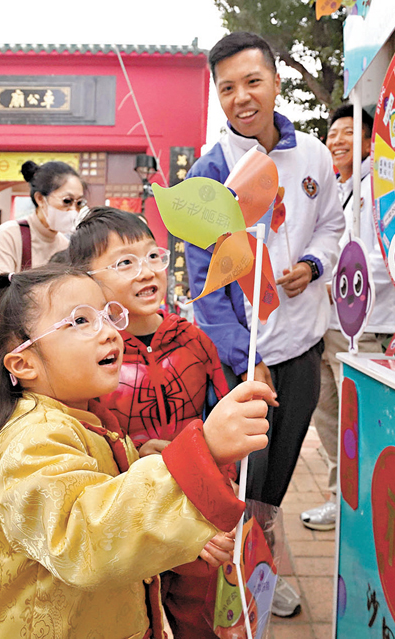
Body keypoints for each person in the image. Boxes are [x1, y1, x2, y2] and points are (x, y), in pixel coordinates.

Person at [0, 264, 275, 638]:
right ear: (23, 363)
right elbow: (85, 537)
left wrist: (142, 463)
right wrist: (200, 451)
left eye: (108, 314)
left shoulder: (85, 417)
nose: (108, 331)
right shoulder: (31, 439)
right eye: (79, 320)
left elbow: (107, 502)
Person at [185, 31, 345, 617]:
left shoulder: (315, 158)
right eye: (226, 88)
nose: (241, 97)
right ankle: (235, 576)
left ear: (276, 81)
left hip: (301, 346)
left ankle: (261, 566)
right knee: (241, 478)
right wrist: (241, 358)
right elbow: (205, 281)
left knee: (276, 477)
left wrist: (312, 263)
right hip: (243, 360)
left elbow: (332, 223)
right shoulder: (212, 171)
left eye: (252, 81)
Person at [69, 207, 234, 638]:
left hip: (195, 508)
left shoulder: (195, 341)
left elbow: (220, 423)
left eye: (152, 256)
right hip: (131, 518)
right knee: (135, 615)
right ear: (86, 281)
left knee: (197, 613)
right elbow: (87, 443)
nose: (146, 272)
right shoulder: (91, 353)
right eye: (125, 262)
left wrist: (219, 500)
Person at [300, 105, 395, 532]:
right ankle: (339, 497)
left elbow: (385, 257)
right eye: (333, 133)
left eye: (348, 132)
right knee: (327, 414)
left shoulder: (382, 187)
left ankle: (363, 507)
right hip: (327, 324)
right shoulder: (341, 188)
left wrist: (336, 281)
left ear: (369, 141)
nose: (337, 140)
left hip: (365, 324)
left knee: (358, 420)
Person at [0, 160, 84, 285]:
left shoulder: (66, 245)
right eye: (67, 201)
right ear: (40, 199)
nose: (74, 210)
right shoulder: (10, 235)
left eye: (79, 203)